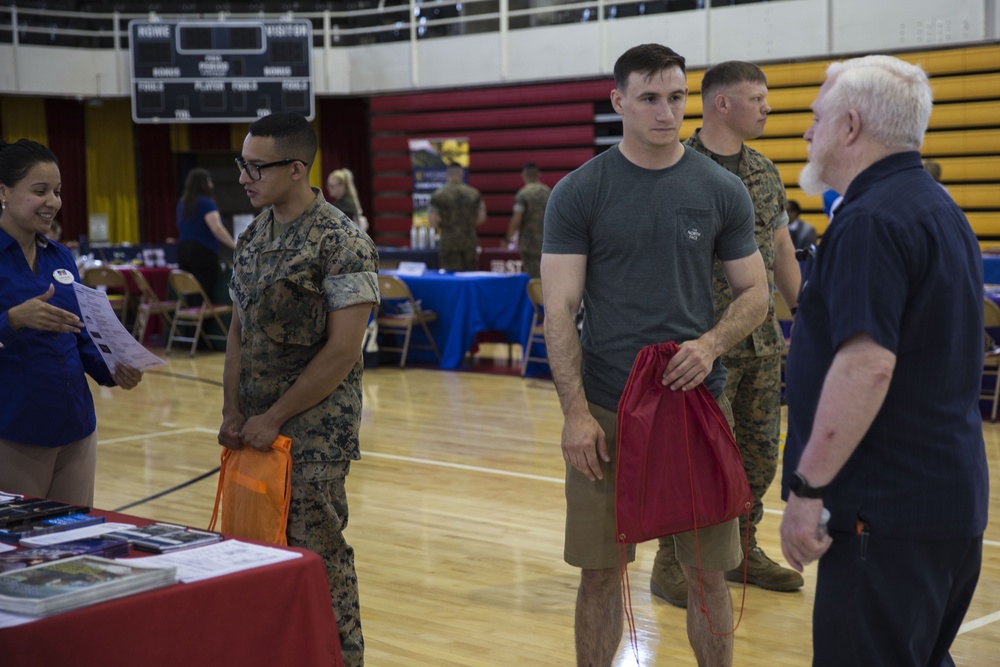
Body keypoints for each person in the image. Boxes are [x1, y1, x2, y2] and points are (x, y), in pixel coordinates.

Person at [542, 44, 768, 666]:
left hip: (695, 409)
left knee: (707, 576)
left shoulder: (721, 189)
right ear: (619, 101)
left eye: (676, 97)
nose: (666, 112)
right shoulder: (579, 193)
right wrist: (574, 414)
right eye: (649, 98)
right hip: (607, 412)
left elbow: (756, 293)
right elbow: (558, 309)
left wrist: (711, 343)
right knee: (598, 575)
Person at [779, 55, 988, 666]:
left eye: (815, 118)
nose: (805, 132)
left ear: (849, 126)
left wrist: (807, 489)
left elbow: (867, 365)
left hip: (884, 511)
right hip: (945, 501)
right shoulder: (937, 206)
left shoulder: (870, 220)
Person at [220, 112, 379, 667]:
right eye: (242, 164)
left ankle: (340, 658)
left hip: (313, 434)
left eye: (255, 167)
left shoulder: (342, 241)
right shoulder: (255, 233)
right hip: (255, 431)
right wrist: (233, 409)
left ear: (295, 168)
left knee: (318, 557)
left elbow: (342, 351)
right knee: (257, 553)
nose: (244, 176)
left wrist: (275, 417)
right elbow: (238, 328)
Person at [649, 60, 804, 608]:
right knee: (703, 460)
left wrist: (802, 312)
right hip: (701, 343)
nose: (767, 107)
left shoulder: (763, 170)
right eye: (756, 98)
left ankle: (742, 550)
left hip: (761, 340)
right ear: (722, 103)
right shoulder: (675, 168)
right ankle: (673, 559)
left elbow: (781, 249)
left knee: (759, 455)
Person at [0, 138, 143, 506]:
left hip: (76, 426)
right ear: (4, 192)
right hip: (14, 429)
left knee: (74, 543)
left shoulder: (60, 256)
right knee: (21, 552)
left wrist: (113, 368)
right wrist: (13, 320)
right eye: (40, 190)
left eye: (58, 191)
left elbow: (81, 334)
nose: (53, 201)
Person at [176, 167, 236, 301]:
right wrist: (235, 246)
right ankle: (204, 321)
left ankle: (189, 318)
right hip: (202, 253)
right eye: (209, 181)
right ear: (203, 183)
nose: (212, 184)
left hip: (182, 250)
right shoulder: (206, 203)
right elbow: (217, 229)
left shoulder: (182, 203)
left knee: (189, 292)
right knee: (203, 294)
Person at [427, 162, 486, 271]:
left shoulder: (438, 195)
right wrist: (468, 224)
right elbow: (481, 218)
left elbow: (432, 220)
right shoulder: (474, 194)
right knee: (469, 276)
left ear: (446, 174)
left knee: (450, 277)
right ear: (462, 174)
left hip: (448, 242)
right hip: (469, 241)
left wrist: (444, 225)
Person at [505, 162, 550, 278]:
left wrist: (507, 239)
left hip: (530, 244)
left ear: (523, 175)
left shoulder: (523, 194)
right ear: (539, 174)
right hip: (548, 242)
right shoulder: (548, 192)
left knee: (533, 278)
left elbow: (516, 220)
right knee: (547, 276)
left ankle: (536, 297)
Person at [326, 168, 369, 232]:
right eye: (328, 185)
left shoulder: (345, 206)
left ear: (341, 186)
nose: (329, 188)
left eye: (332, 186)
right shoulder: (344, 202)